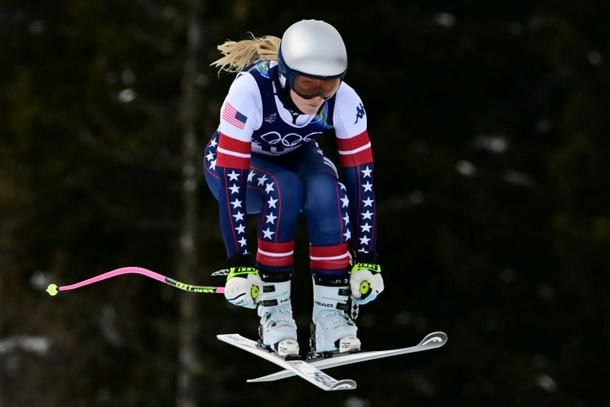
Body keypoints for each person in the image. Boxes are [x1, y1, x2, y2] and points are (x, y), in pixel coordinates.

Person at [204, 19, 384, 358]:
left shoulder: (345, 100)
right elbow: (231, 181)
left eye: (328, 85)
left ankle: (332, 316)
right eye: (306, 85)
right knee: (283, 187)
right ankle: (275, 314)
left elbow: (362, 180)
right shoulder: (250, 90)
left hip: (295, 155)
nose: (317, 97)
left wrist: (366, 259)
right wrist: (239, 263)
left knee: (327, 189)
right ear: (285, 75)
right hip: (233, 170)